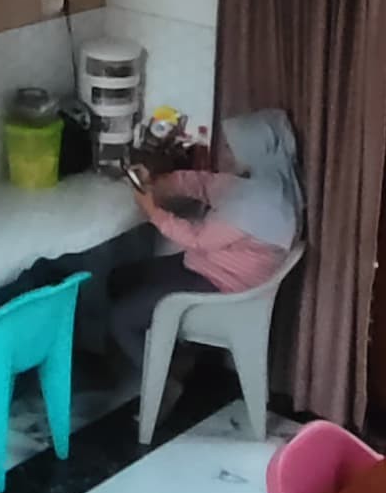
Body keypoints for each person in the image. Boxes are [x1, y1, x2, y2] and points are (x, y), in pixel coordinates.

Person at [109, 108, 303, 363]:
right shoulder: (264, 185)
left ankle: (171, 376)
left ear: (256, 150)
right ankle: (161, 354)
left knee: (121, 319)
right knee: (119, 278)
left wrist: (152, 210)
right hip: (206, 266)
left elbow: (197, 238)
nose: (230, 152)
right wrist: (160, 184)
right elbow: (207, 185)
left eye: (234, 147)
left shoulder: (264, 205)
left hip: (219, 287)